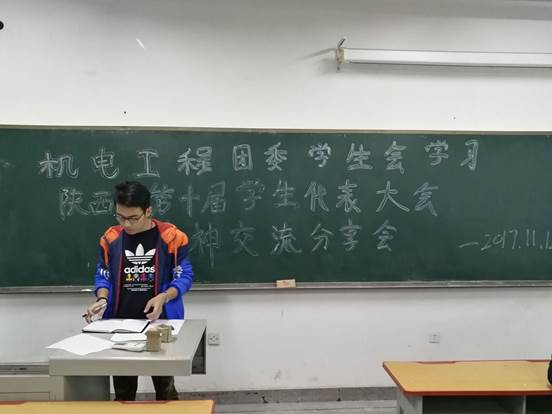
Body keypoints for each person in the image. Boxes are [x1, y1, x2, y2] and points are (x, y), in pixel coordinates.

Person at [84, 180, 193, 401]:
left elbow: (184, 276)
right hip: (120, 325)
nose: (126, 224)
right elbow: (103, 275)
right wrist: (102, 299)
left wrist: (164, 296)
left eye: (133, 218)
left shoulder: (171, 237)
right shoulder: (111, 239)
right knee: (123, 391)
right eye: (120, 217)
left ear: (148, 211)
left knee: (165, 388)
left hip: (160, 323)